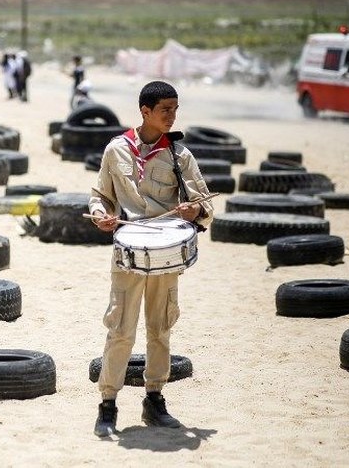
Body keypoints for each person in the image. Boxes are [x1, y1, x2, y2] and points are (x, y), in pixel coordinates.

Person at [88, 81, 214, 436]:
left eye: (175, 110)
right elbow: (100, 196)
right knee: (120, 329)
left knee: (160, 329)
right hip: (127, 252)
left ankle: (154, 399)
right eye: (165, 110)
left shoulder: (180, 156)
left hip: (166, 254)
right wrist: (101, 215)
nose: (172, 117)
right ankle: (108, 404)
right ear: (145, 111)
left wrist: (194, 213)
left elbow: (205, 205)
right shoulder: (116, 151)